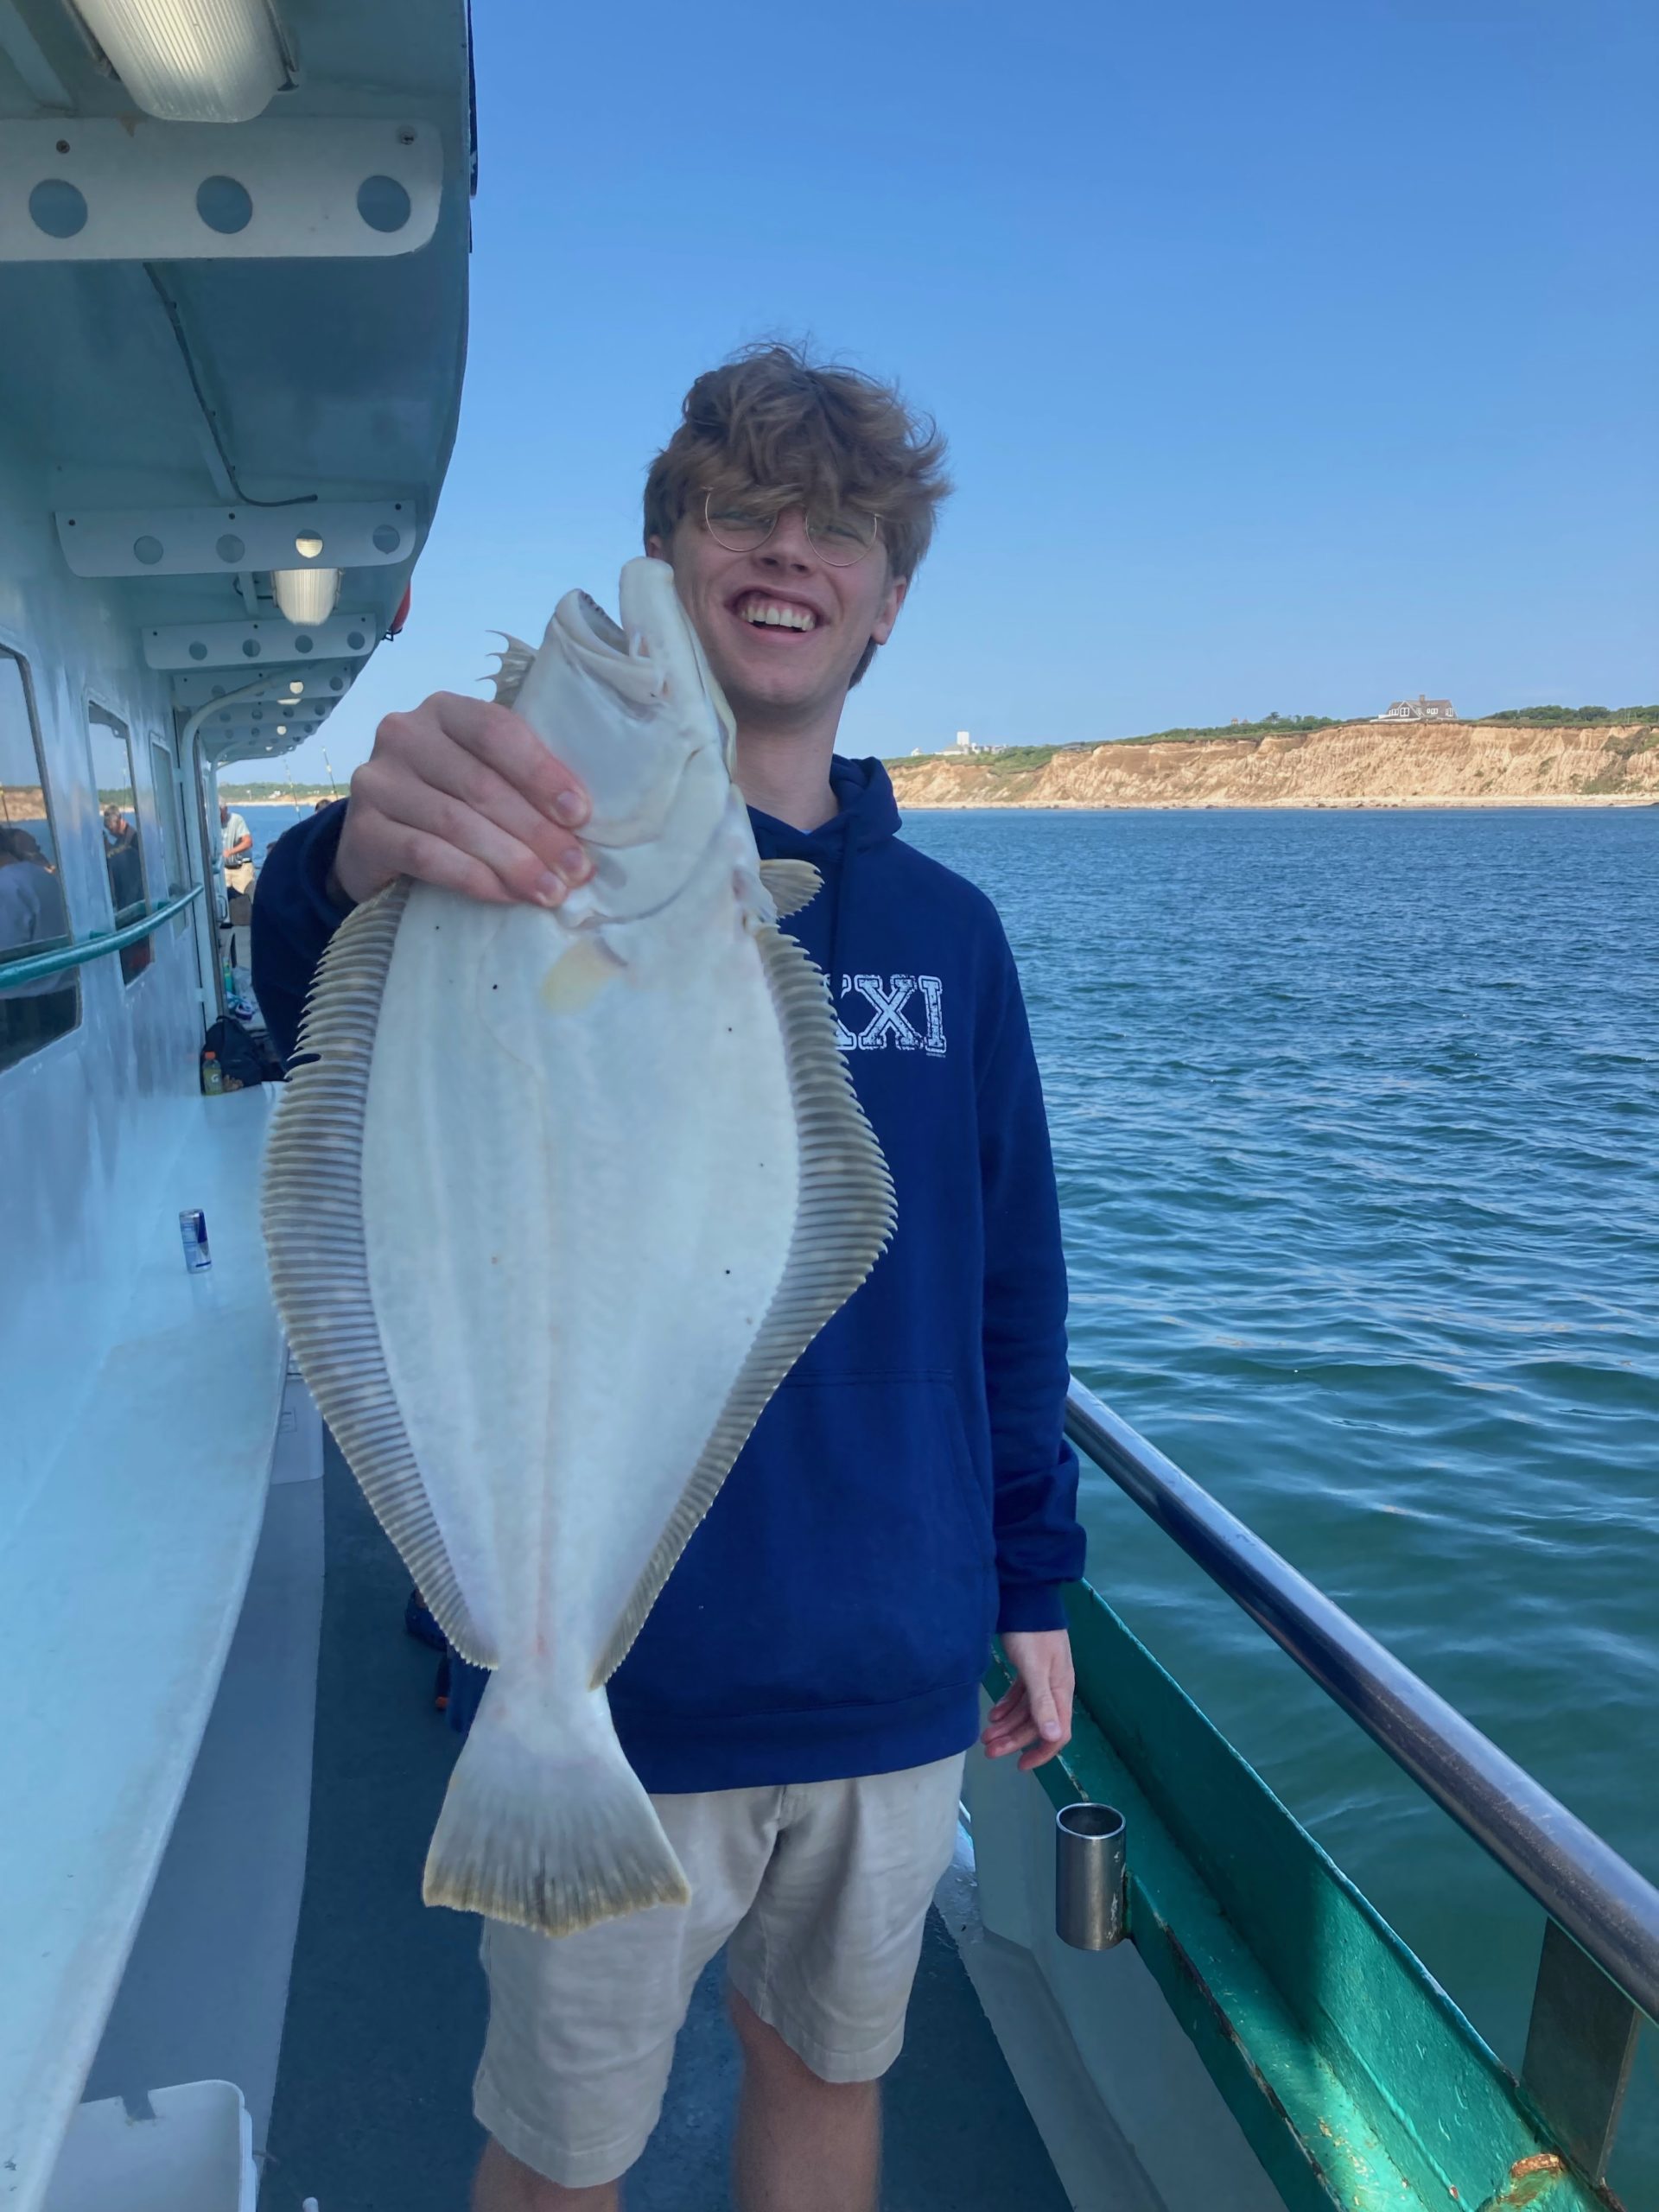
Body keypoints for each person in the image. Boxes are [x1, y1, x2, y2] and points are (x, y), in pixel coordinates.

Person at [252, 343, 1084, 2212]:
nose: (790, 549)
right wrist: (343, 855)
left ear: (884, 603)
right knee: (561, 2153)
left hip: (889, 1662)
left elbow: (1010, 1288)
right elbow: (310, 993)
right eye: (739, 510)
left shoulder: (951, 934)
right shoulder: (494, 874)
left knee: (826, 2086)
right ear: (676, 547)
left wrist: (1034, 1578)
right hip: (622, 1682)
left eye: (843, 529)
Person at [0, 824, 76, 1060]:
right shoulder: (43, 877)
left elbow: (7, 950)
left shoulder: (4, 886)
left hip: (24, 1010)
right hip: (67, 994)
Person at [219, 800, 254, 896]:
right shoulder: (212, 824)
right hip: (224, 868)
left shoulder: (236, 820)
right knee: (224, 897)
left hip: (241, 868)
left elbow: (248, 842)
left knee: (244, 898)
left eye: (220, 811)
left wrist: (230, 852)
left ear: (225, 809)